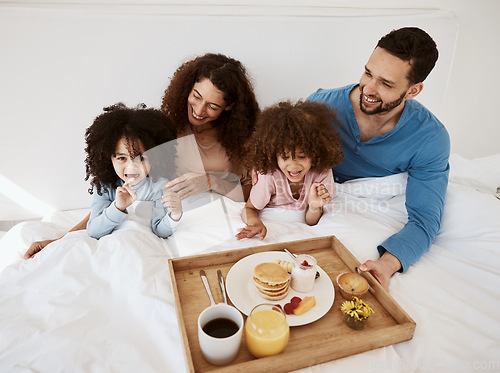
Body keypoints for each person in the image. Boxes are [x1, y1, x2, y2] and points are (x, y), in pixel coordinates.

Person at [24, 53, 259, 258]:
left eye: (212, 106)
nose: (198, 111)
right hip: (168, 219)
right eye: (196, 96)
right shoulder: (164, 130)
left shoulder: (240, 139)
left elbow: (255, 194)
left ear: (228, 107)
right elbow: (121, 192)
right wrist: (61, 239)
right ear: (188, 88)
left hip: (214, 219)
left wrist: (210, 182)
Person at [307, 27, 450, 291]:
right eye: (368, 73)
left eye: (386, 83)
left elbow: (424, 218)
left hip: (366, 215)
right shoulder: (319, 106)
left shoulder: (430, 138)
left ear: (413, 90)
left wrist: (386, 264)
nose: (368, 88)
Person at [235, 100, 343, 240]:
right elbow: (249, 208)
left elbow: (311, 221)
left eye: (302, 156)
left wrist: (315, 207)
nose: (293, 166)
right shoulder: (269, 176)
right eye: (285, 157)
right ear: (274, 156)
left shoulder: (322, 173)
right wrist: (255, 223)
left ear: (316, 153)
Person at [85, 103, 181, 239]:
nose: (131, 167)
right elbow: (94, 231)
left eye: (141, 158)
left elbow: (160, 231)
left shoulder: (159, 187)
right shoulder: (105, 187)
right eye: (122, 158)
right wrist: (118, 207)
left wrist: (174, 215)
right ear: (108, 159)